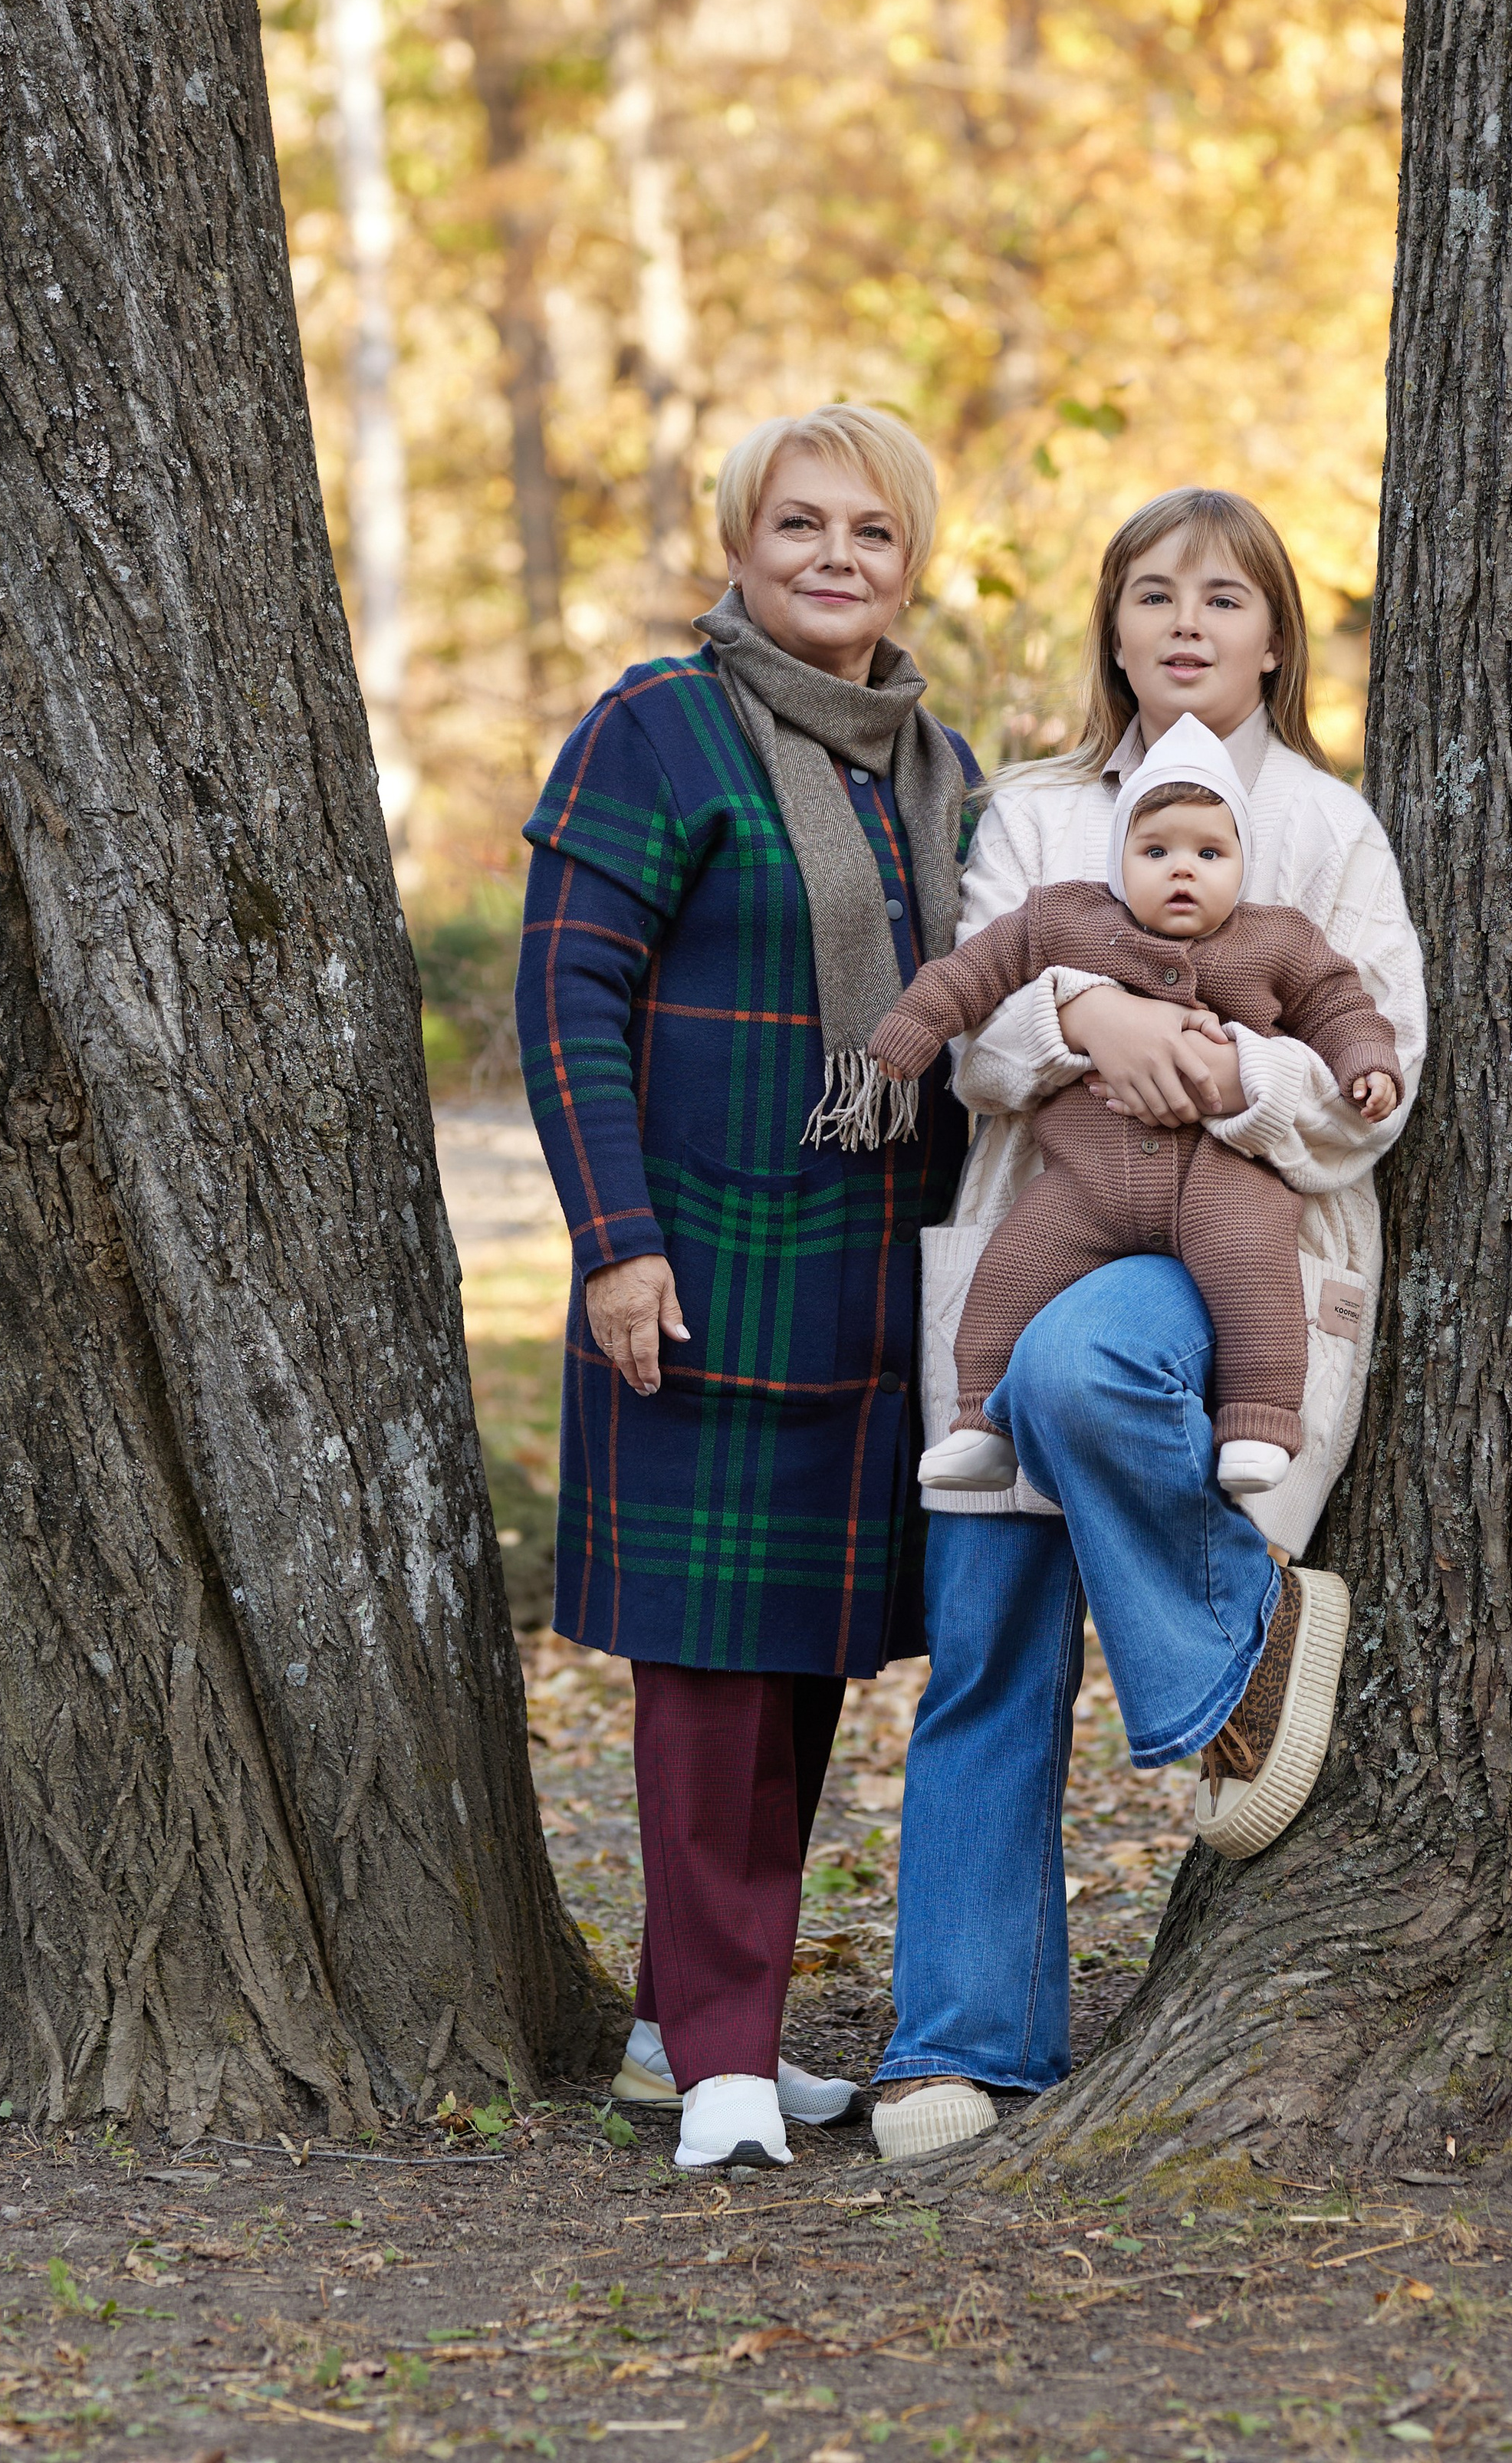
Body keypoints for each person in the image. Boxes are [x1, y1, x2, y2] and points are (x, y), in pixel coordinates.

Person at [870, 484, 1426, 2164]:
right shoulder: (1033, 815)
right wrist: (1088, 1011)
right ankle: (960, 2036)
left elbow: (1370, 1065)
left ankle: (1215, 1659)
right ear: (1110, 629)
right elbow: (974, 1034)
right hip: (1033, 1223)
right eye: (1152, 596)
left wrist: (1221, 1068)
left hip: (1225, 1257)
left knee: (1085, 1362)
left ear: (1275, 638)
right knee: (984, 1639)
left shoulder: (1325, 829)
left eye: (1226, 599)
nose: (1186, 623)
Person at [515, 405, 977, 2174]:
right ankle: (719, 2057)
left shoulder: (931, 764)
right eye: (799, 522)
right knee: (707, 1676)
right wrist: (617, 1239)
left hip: (876, 1297)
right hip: (703, 1268)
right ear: (735, 537)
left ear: (908, 557)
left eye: (872, 527)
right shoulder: (657, 728)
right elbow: (565, 1000)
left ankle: (684, 2021)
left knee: (802, 1666)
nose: (835, 554)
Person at [868, 712, 1402, 1499]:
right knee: (1012, 1268)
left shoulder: (1277, 940)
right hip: (1086, 1176)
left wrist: (1367, 1061)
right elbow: (971, 973)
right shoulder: (1064, 918)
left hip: (1223, 1168)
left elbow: (1339, 1005)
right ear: (1119, 860)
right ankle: (982, 1420)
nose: (1182, 870)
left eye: (1208, 853)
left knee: (1254, 1272)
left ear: (1241, 864)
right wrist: (915, 1022)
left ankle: (1258, 1421)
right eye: (1156, 852)